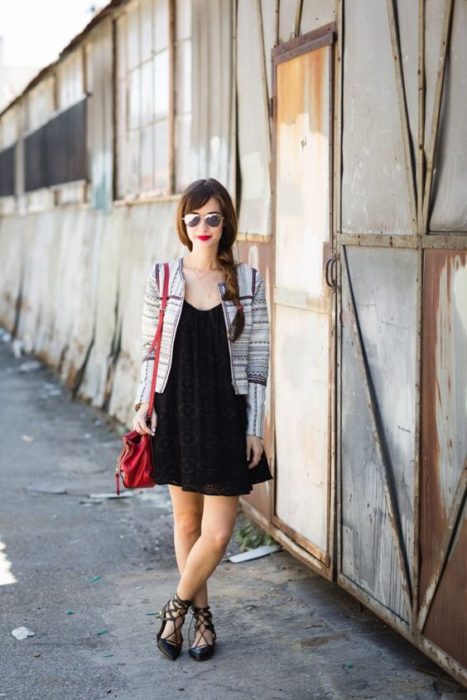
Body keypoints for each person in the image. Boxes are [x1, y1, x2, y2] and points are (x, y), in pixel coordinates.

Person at [132, 177, 272, 662]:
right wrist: (142, 403)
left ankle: (175, 608)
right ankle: (202, 623)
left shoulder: (248, 282)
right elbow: (150, 349)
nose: (203, 226)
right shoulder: (163, 278)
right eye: (194, 218)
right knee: (188, 524)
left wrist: (255, 427)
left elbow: (257, 363)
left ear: (226, 222)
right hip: (175, 411)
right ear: (183, 223)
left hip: (225, 418)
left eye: (213, 217)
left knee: (216, 534)